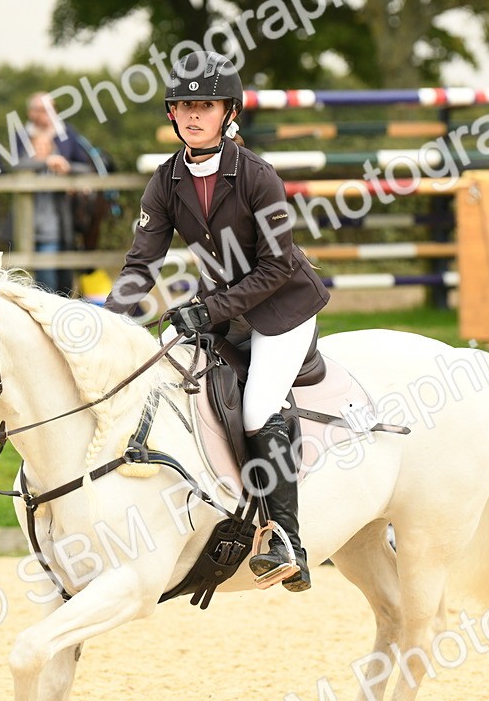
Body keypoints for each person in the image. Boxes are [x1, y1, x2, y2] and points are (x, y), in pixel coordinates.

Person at [103, 51, 330, 592]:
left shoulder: (258, 176)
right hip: (222, 313)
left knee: (257, 406)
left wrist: (211, 309)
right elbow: (141, 265)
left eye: (204, 105)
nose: (192, 115)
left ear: (229, 112)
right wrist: (105, 325)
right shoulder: (166, 181)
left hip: (281, 311)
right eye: (183, 106)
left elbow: (277, 265)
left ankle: (285, 538)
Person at [22, 93, 93, 295]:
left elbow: (86, 165)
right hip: (33, 224)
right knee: (46, 286)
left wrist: (66, 168)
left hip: (65, 221)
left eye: (51, 109)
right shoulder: (21, 134)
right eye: (42, 109)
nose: (47, 114)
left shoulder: (67, 132)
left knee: (64, 283)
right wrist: (44, 162)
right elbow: (11, 165)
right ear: (31, 113)